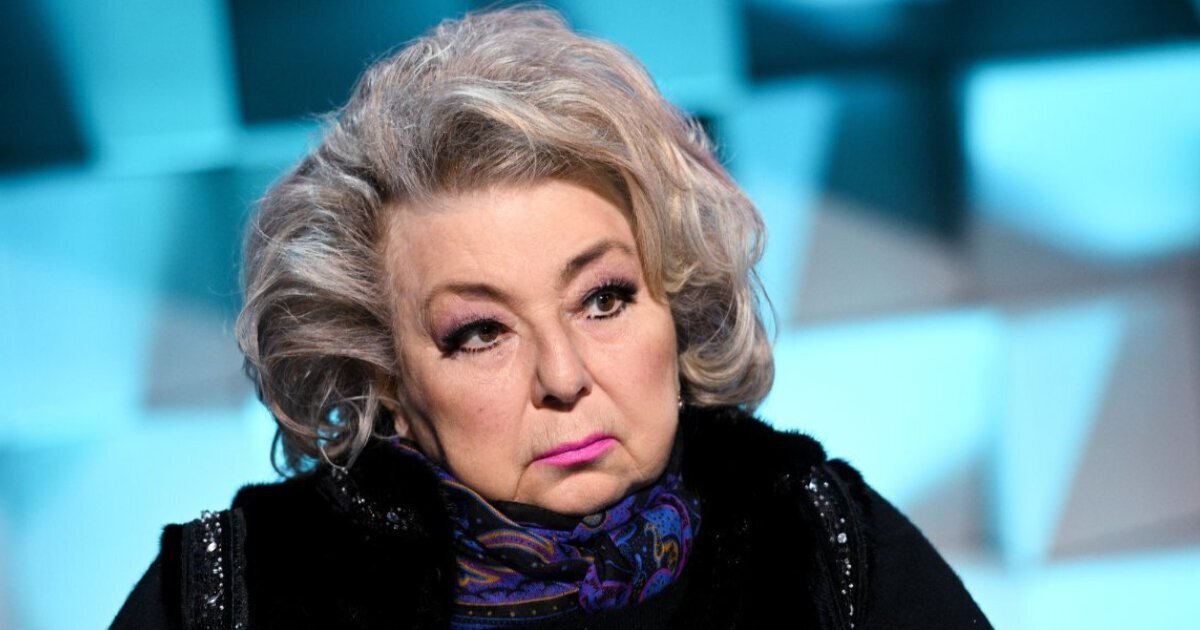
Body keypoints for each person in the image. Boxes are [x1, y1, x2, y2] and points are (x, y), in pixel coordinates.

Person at [113, 7, 990, 629]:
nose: (564, 378)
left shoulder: (820, 543)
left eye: (603, 300)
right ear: (387, 378)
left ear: (674, 303)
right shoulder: (240, 592)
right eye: (480, 333)